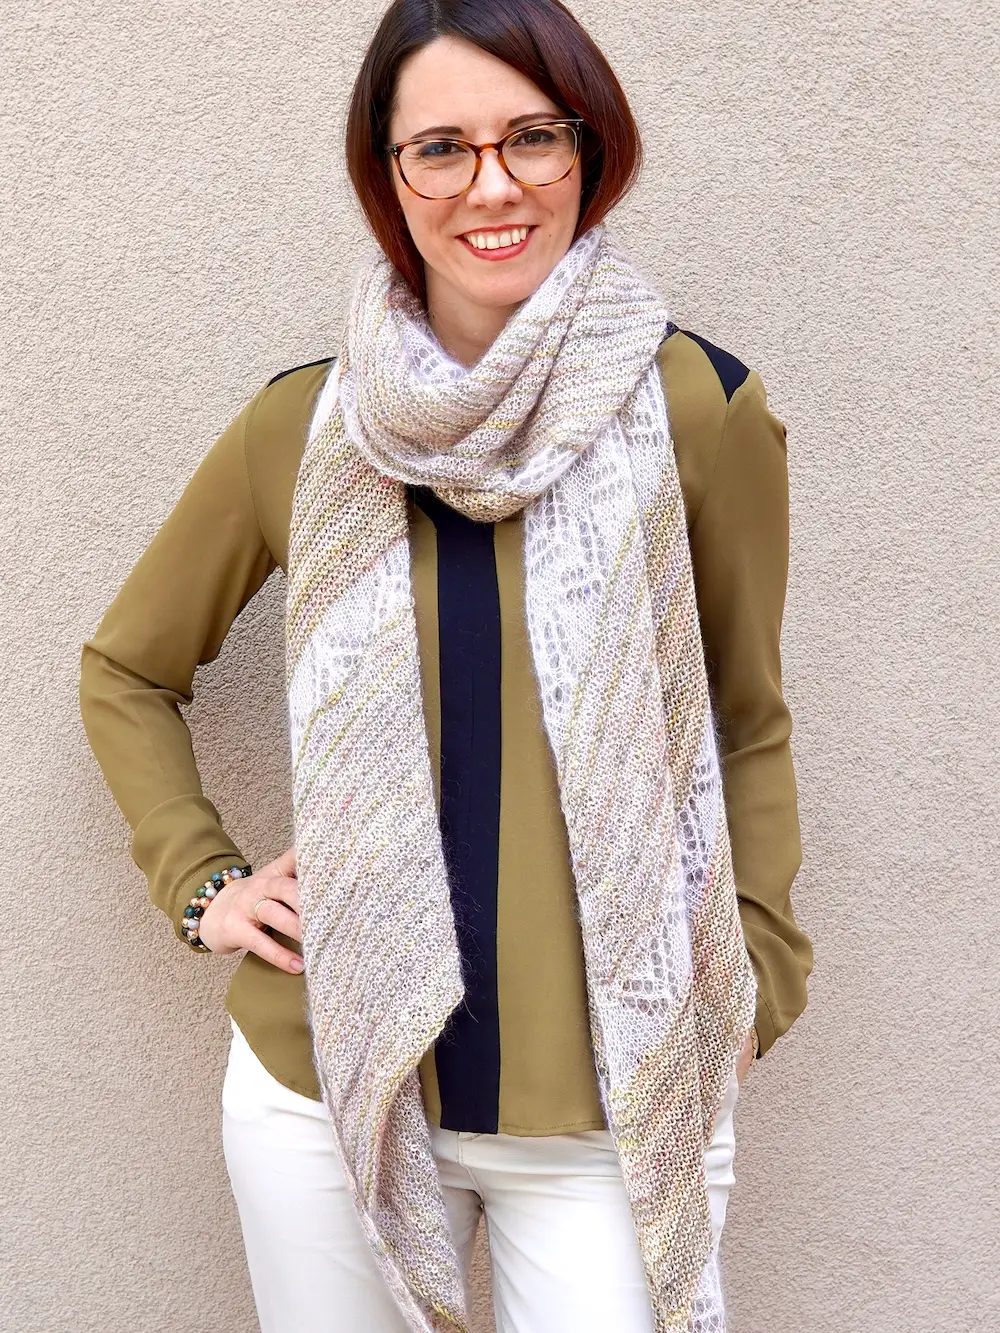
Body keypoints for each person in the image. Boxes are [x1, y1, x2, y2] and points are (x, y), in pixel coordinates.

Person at [78, 1, 814, 1330]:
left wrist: (754, 971)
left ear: (591, 150)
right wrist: (208, 885)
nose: (494, 184)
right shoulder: (304, 426)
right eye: (443, 148)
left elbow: (746, 722)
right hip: (327, 1089)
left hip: (601, 1085)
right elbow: (127, 671)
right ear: (387, 174)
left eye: (533, 136)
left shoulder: (699, 410)